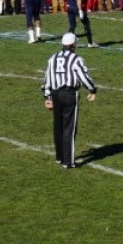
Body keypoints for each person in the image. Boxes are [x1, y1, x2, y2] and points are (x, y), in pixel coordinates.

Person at [43, 33, 97, 169]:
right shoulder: (76, 59)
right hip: (69, 94)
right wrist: (92, 89)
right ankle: (69, 161)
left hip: (55, 93)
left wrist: (47, 97)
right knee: (69, 128)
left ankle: (60, 157)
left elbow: (47, 78)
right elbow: (83, 77)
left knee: (58, 126)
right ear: (73, 45)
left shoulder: (53, 58)